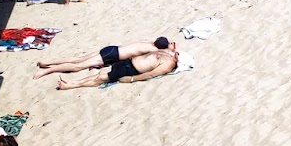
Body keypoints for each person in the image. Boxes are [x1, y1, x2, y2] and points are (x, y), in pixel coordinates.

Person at [34, 37, 181, 89]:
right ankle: (46, 70)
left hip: (112, 49)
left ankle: (48, 63)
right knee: (78, 66)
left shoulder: (148, 42)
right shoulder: (152, 49)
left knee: (78, 59)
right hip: (112, 56)